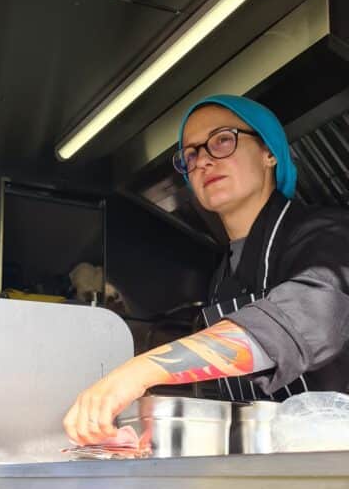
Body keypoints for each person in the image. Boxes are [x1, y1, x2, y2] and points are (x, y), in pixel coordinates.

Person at [64, 94, 349, 445]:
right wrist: (151, 435)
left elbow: (304, 320)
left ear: (269, 153)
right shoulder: (223, 275)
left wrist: (138, 372)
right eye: (191, 154)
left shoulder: (328, 234)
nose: (203, 162)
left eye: (222, 141)